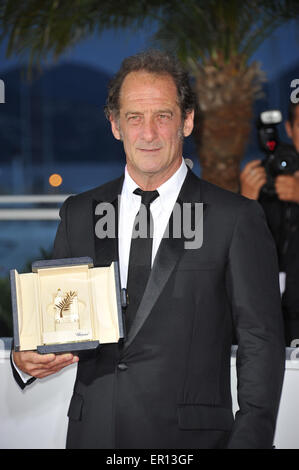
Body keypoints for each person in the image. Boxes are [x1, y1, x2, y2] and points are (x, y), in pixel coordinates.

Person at [12, 50, 285, 449]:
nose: (149, 133)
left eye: (163, 115)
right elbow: (54, 319)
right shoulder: (78, 213)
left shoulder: (235, 218)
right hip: (93, 436)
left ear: (187, 121)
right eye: (134, 118)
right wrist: (26, 359)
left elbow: (260, 342)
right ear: (115, 125)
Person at [240, 102, 299, 346]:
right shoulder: (269, 173)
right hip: (269, 315)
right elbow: (234, 253)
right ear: (289, 128)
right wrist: (244, 201)